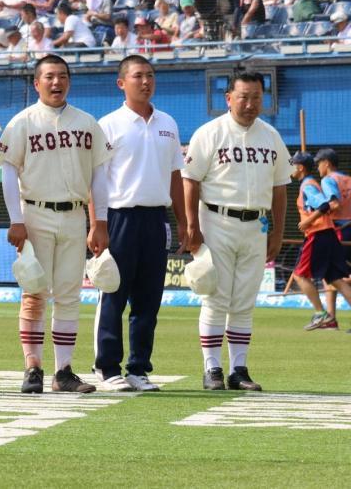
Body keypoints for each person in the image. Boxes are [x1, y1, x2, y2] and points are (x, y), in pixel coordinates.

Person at [0, 54, 111, 395]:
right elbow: (8, 171)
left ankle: (63, 372)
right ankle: (33, 366)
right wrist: (16, 220)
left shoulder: (87, 122)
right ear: (37, 83)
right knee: (34, 291)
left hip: (75, 215)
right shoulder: (22, 122)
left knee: (69, 295)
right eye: (49, 76)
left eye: (62, 76)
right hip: (35, 213)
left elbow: (98, 175)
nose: (56, 82)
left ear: (69, 81)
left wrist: (99, 221)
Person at [183, 70, 291, 392]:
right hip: (217, 220)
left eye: (256, 97)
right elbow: (190, 179)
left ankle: (239, 369)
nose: (250, 103)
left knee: (244, 300)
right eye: (243, 97)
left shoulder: (270, 135)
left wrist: (277, 231)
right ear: (228, 98)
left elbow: (280, 187)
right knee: (216, 296)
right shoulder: (210, 132)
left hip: (256, 225)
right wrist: (191, 225)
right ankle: (212, 368)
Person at [90, 56, 187, 392]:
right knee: (113, 294)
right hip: (118, 218)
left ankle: (138, 369)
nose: (145, 82)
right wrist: (97, 224)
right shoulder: (108, 125)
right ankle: (106, 368)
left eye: (150, 75)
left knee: (149, 300)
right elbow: (96, 180)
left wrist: (185, 222)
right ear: (122, 83)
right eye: (137, 76)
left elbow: (176, 175)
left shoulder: (168, 123)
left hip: (156, 219)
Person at [290, 151, 351, 332]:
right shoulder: (314, 183)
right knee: (336, 280)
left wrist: (307, 222)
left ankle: (321, 314)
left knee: (299, 276)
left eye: (292, 165)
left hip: (319, 233)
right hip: (329, 233)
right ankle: (329, 319)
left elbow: (325, 205)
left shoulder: (308, 185)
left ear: (300, 168)